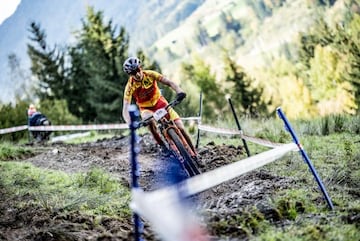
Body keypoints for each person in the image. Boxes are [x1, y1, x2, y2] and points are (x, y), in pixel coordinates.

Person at [122, 56, 196, 155]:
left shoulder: (150, 74)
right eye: (133, 73)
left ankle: (195, 152)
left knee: (181, 127)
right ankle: (162, 145)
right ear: (130, 75)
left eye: (138, 70)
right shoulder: (129, 87)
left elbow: (169, 82)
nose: (137, 74)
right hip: (146, 108)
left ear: (140, 67)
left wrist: (179, 91)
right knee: (149, 121)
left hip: (160, 102)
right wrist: (130, 123)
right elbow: (125, 108)